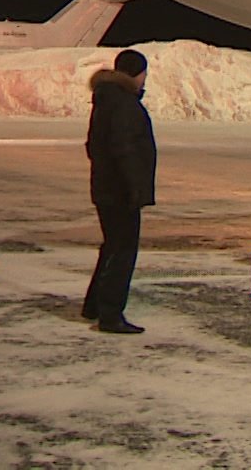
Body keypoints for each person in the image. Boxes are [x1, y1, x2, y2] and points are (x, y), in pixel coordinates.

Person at [82, 48, 156, 334]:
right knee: (123, 250)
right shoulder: (124, 105)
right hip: (120, 191)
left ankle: (94, 305)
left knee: (113, 246)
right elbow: (125, 149)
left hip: (106, 187)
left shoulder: (106, 100)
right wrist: (135, 187)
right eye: (143, 74)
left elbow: (93, 146)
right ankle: (111, 314)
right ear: (136, 74)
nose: (144, 79)